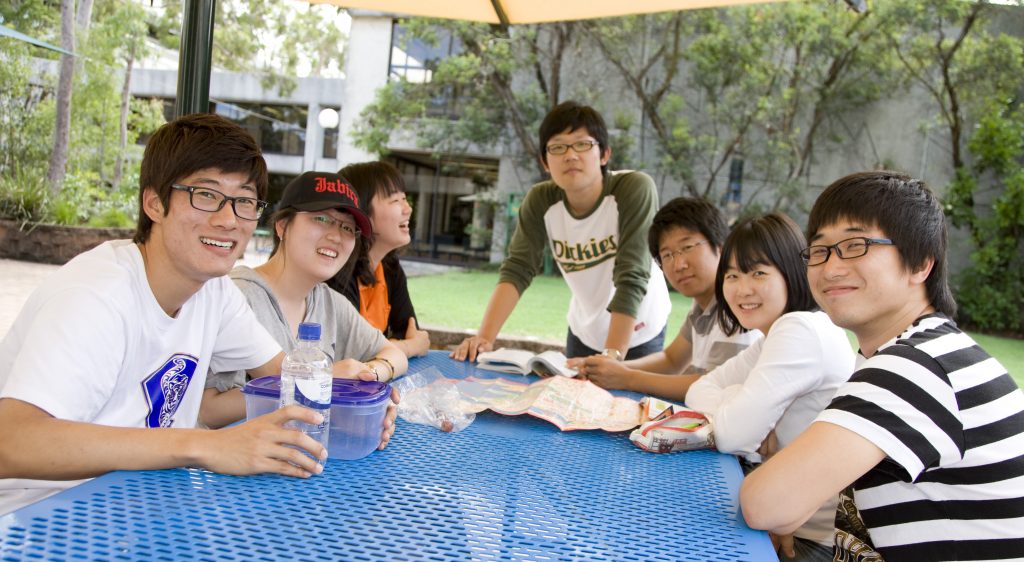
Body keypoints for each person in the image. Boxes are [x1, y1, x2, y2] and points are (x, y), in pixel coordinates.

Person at [0, 114, 396, 516]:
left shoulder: (214, 292)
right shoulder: (96, 295)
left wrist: (359, 412)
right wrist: (206, 445)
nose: (228, 220)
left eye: (243, 201)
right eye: (205, 194)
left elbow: (283, 377)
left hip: (138, 507)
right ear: (154, 202)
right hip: (34, 520)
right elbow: (11, 442)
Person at [740, 171, 1024, 560]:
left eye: (856, 245)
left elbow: (765, 503)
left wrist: (784, 511)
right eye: (820, 250)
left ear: (921, 264)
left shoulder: (918, 367)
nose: (831, 267)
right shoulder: (927, 349)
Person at [451, 101, 670, 362]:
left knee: (623, 402)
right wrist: (483, 340)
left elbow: (632, 274)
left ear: (604, 154)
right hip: (584, 331)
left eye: (582, 144)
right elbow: (518, 268)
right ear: (545, 161)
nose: (570, 155)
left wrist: (612, 356)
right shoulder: (540, 200)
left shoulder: (633, 188)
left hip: (637, 330)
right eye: (557, 147)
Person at [200, 171, 409, 429]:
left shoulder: (330, 302)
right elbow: (207, 411)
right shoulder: (238, 296)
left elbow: (394, 354)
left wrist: (371, 376)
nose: (336, 236)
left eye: (347, 227)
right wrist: (317, 382)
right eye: (321, 219)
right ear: (282, 226)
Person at [566, 197, 762, 393]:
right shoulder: (704, 305)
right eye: (667, 255)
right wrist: (604, 368)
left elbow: (715, 385)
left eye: (687, 248)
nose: (678, 265)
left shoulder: (736, 307)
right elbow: (671, 360)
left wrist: (627, 378)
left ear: (719, 246)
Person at [325, 161, 430, 358]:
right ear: (361, 211)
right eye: (395, 201)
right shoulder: (335, 273)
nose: (407, 209)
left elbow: (410, 332)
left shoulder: (390, 269)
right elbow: (354, 355)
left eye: (405, 198)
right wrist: (407, 348)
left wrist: (394, 348)